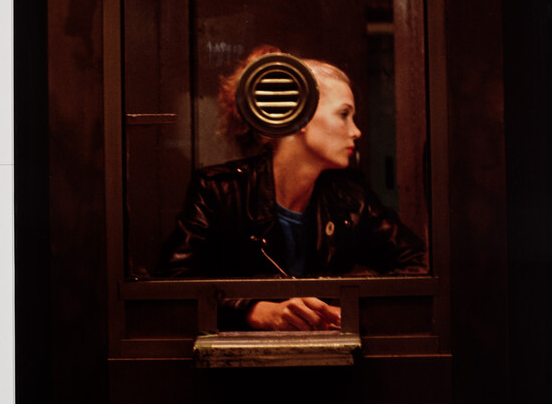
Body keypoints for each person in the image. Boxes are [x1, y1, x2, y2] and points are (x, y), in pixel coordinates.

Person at [158, 45, 427, 330]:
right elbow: (172, 287)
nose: (356, 131)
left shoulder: (351, 197)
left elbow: (420, 266)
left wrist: (345, 306)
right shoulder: (218, 191)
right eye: (344, 114)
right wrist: (255, 311)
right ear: (298, 115)